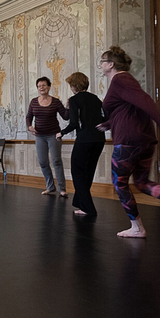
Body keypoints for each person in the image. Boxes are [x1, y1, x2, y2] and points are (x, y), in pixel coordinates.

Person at [97, 46, 160, 238]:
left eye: (102, 61)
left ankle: (137, 227)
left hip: (128, 141)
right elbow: (129, 109)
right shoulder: (123, 82)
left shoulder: (120, 79)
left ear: (110, 64)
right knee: (142, 182)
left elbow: (144, 101)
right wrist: (109, 123)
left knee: (119, 183)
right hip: (143, 140)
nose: (100, 64)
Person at [56, 72, 105, 216]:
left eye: (70, 85)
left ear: (73, 85)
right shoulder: (96, 99)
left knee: (77, 172)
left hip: (84, 139)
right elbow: (105, 117)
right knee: (88, 172)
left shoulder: (74, 100)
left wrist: (61, 133)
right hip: (99, 139)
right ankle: (81, 204)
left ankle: (88, 208)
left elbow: (73, 123)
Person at [26, 76, 70, 197]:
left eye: (44, 85)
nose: (41, 88)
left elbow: (66, 116)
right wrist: (29, 126)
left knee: (56, 161)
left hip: (53, 135)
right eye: (39, 86)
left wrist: (68, 107)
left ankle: (62, 189)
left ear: (49, 87)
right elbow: (28, 116)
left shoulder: (55, 101)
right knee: (43, 162)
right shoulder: (34, 102)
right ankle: (50, 187)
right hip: (40, 136)